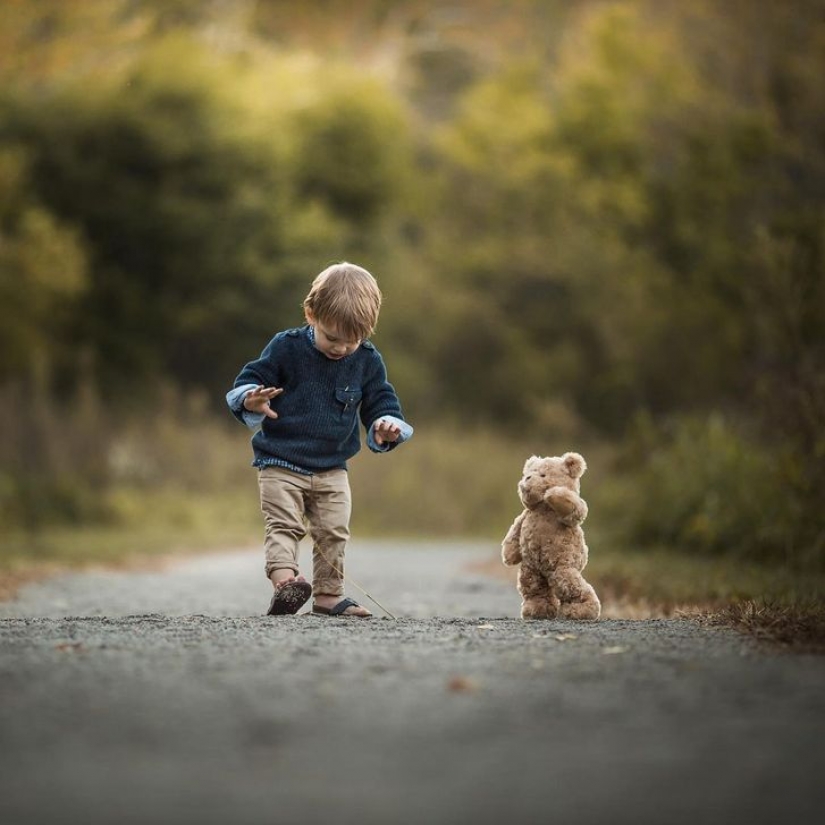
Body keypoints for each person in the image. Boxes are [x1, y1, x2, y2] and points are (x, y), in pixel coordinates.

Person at [226, 262, 413, 618]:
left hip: (332, 468)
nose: (341, 349)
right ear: (311, 315)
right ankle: (286, 582)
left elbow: (380, 402)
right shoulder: (287, 347)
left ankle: (329, 596)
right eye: (332, 338)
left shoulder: (368, 361)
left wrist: (385, 424)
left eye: (352, 341)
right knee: (284, 525)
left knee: (334, 532)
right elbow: (250, 377)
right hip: (279, 461)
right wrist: (252, 397)